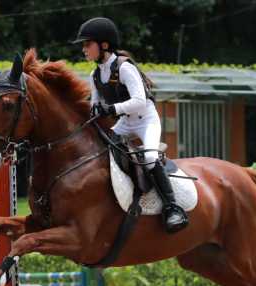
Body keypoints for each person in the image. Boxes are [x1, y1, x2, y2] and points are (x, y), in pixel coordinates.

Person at [72, 17, 188, 233]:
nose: (84, 49)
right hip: (125, 123)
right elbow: (95, 105)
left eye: (87, 44)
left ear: (104, 44)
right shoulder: (95, 74)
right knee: (100, 150)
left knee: (151, 158)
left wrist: (111, 110)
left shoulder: (124, 68)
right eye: (83, 45)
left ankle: (173, 208)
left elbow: (140, 101)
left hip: (146, 121)